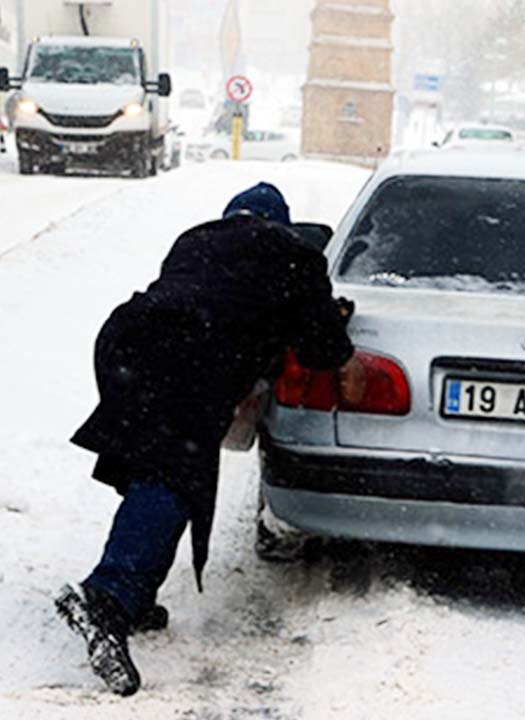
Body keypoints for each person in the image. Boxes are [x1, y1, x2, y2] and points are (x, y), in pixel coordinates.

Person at [55, 183, 359, 697]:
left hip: (127, 339)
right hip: (188, 355)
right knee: (174, 473)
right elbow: (322, 350)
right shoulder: (295, 254)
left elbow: (223, 295)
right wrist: (334, 323)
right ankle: (107, 595)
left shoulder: (194, 239)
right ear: (281, 223)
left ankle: (133, 593)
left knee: (161, 463)